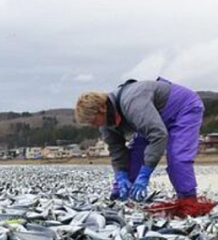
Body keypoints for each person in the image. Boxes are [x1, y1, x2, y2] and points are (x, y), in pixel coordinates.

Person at [75, 78, 204, 202]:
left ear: (101, 110)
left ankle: (188, 199)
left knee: (177, 157)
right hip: (152, 119)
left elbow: (158, 135)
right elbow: (116, 150)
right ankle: (122, 194)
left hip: (183, 108)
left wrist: (145, 174)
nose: (94, 126)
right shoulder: (105, 125)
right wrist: (121, 176)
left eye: (92, 121)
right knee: (136, 152)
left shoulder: (133, 104)